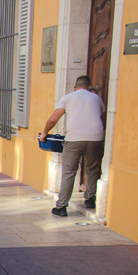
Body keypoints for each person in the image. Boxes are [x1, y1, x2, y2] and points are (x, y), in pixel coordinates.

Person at [40, 76, 105, 217]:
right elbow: (102, 115)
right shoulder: (97, 98)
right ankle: (90, 199)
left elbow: (53, 119)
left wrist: (45, 132)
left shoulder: (68, 97)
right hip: (96, 138)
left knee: (69, 172)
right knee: (93, 169)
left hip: (75, 138)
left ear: (75, 87)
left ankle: (62, 206)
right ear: (89, 87)